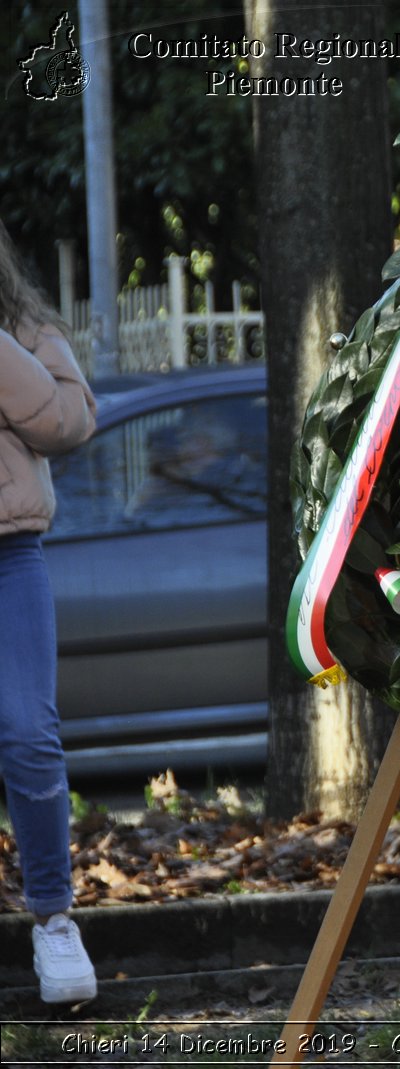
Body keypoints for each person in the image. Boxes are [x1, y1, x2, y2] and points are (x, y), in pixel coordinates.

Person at [0, 220, 98, 1003]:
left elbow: (68, 421)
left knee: (29, 733)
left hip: (9, 556)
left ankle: (53, 921)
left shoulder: (27, 328)